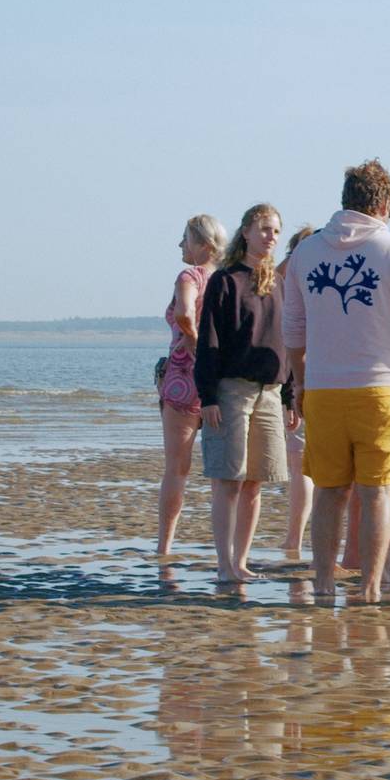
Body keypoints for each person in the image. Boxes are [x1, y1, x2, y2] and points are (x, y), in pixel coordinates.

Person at [281, 159, 390, 604]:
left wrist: (300, 381)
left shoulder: (306, 252)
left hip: (324, 389)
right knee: (377, 493)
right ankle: (370, 587)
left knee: (329, 493)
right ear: (385, 204)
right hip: (380, 390)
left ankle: (324, 584)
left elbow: (292, 329)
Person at [194, 203, 296, 584]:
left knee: (257, 480)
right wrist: (207, 397)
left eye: (276, 231)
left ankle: (242, 561)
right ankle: (225, 564)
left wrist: (290, 395)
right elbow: (210, 342)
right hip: (231, 390)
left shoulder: (279, 283)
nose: (271, 237)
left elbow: (286, 341)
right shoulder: (225, 280)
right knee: (228, 479)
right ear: (247, 231)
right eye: (265, 229)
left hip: (270, 392)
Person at [157, 213, 227, 557]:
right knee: (221, 473)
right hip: (220, 381)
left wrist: (195, 341)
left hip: (184, 379)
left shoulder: (190, 275)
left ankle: (165, 545)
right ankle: (223, 549)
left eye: (185, 238)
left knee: (177, 468)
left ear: (204, 245)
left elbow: (185, 313)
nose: (181, 245)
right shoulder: (228, 279)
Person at [277, 223, 318, 558]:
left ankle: (294, 539)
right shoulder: (290, 279)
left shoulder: (280, 278)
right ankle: (293, 538)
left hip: (303, 384)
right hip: (298, 384)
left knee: (303, 466)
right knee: (302, 466)